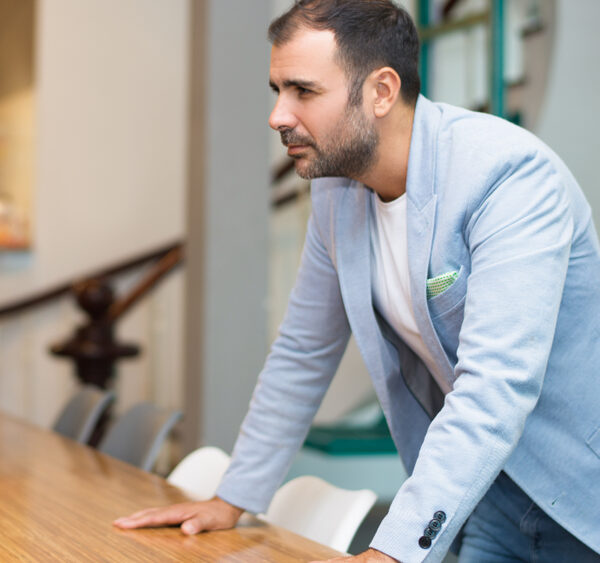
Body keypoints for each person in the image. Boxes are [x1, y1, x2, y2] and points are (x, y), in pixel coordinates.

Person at [114, 1, 600, 562]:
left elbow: (494, 389)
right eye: (277, 90)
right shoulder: (336, 192)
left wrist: (391, 551)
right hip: (487, 496)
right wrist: (234, 497)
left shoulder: (506, 176)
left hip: (582, 493)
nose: (277, 115)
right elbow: (303, 350)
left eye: (303, 91)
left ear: (381, 91)